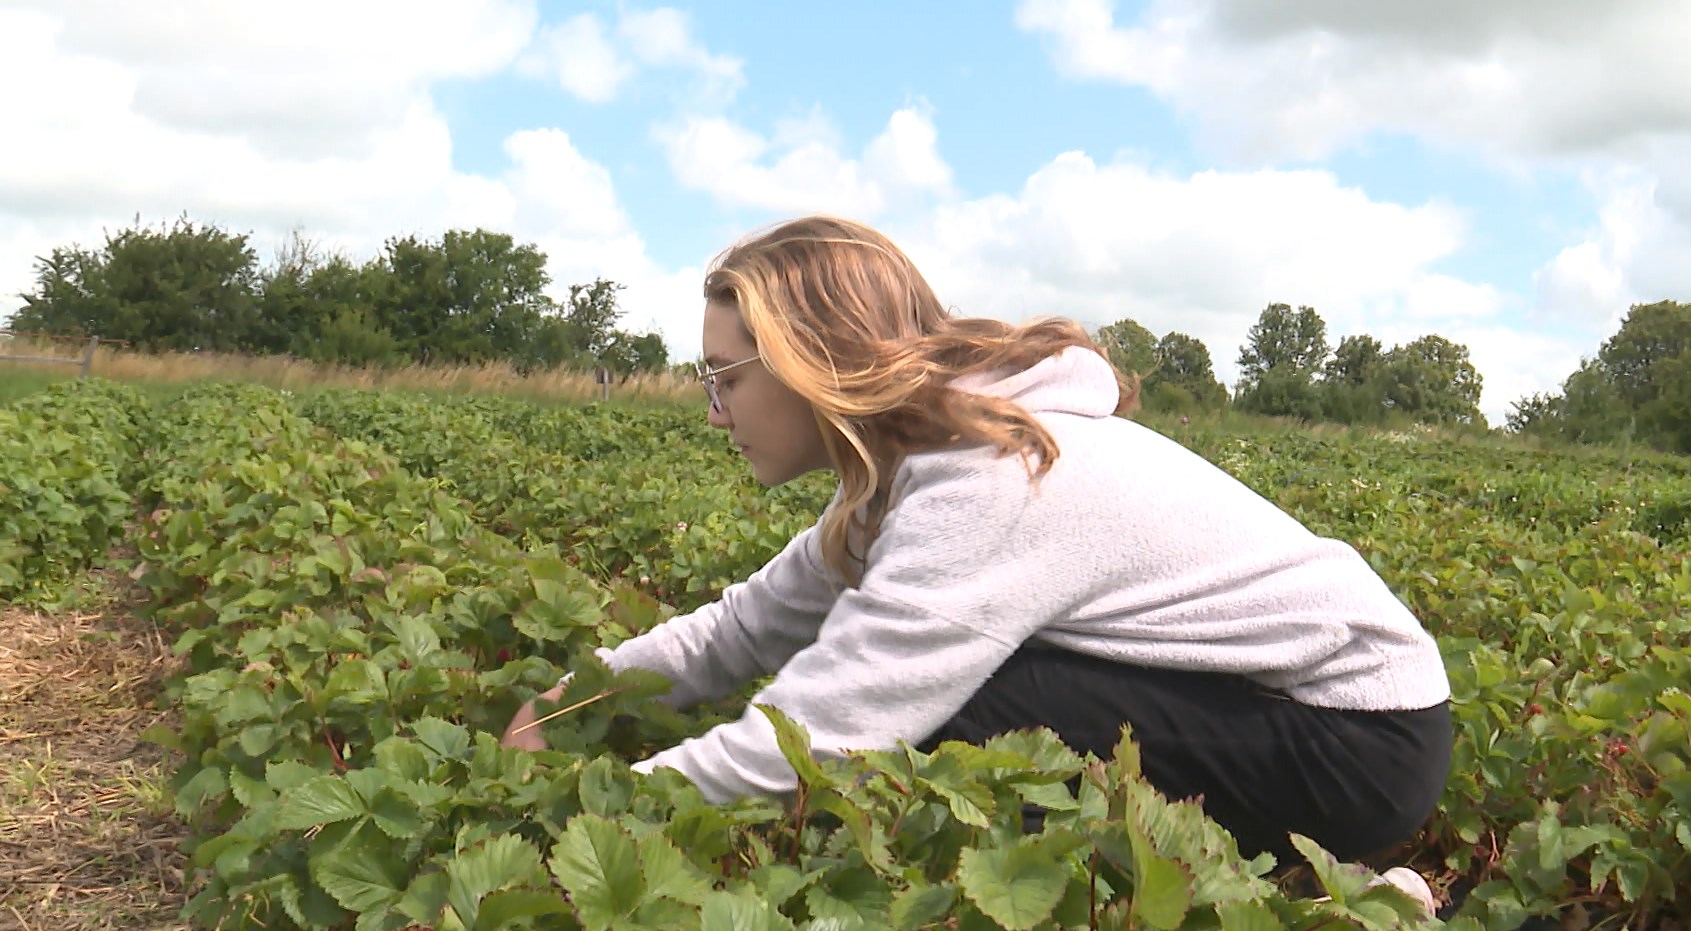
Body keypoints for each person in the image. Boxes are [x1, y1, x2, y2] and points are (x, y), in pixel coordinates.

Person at [503, 215, 1455, 876]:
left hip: (1356, 735)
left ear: (812, 365)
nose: (714, 414)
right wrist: (569, 700)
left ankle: (1288, 907)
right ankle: (1315, 890)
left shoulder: (984, 477)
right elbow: (742, 631)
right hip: (1288, 710)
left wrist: (596, 815)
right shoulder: (902, 476)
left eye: (726, 379)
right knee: (963, 689)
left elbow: (829, 727)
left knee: (963, 712)